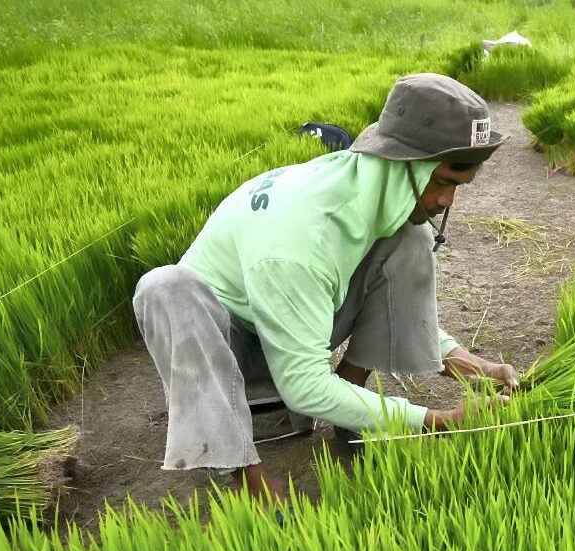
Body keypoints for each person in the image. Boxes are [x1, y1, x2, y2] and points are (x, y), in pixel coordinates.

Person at [133, 73, 516, 503]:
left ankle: (349, 405)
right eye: (442, 182)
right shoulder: (301, 237)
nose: (447, 201)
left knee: (411, 236)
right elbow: (302, 384)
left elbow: (387, 289)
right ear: (403, 164)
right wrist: (436, 420)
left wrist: (460, 360)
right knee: (163, 286)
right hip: (230, 353)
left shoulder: (366, 186)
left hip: (299, 322)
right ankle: (247, 476)